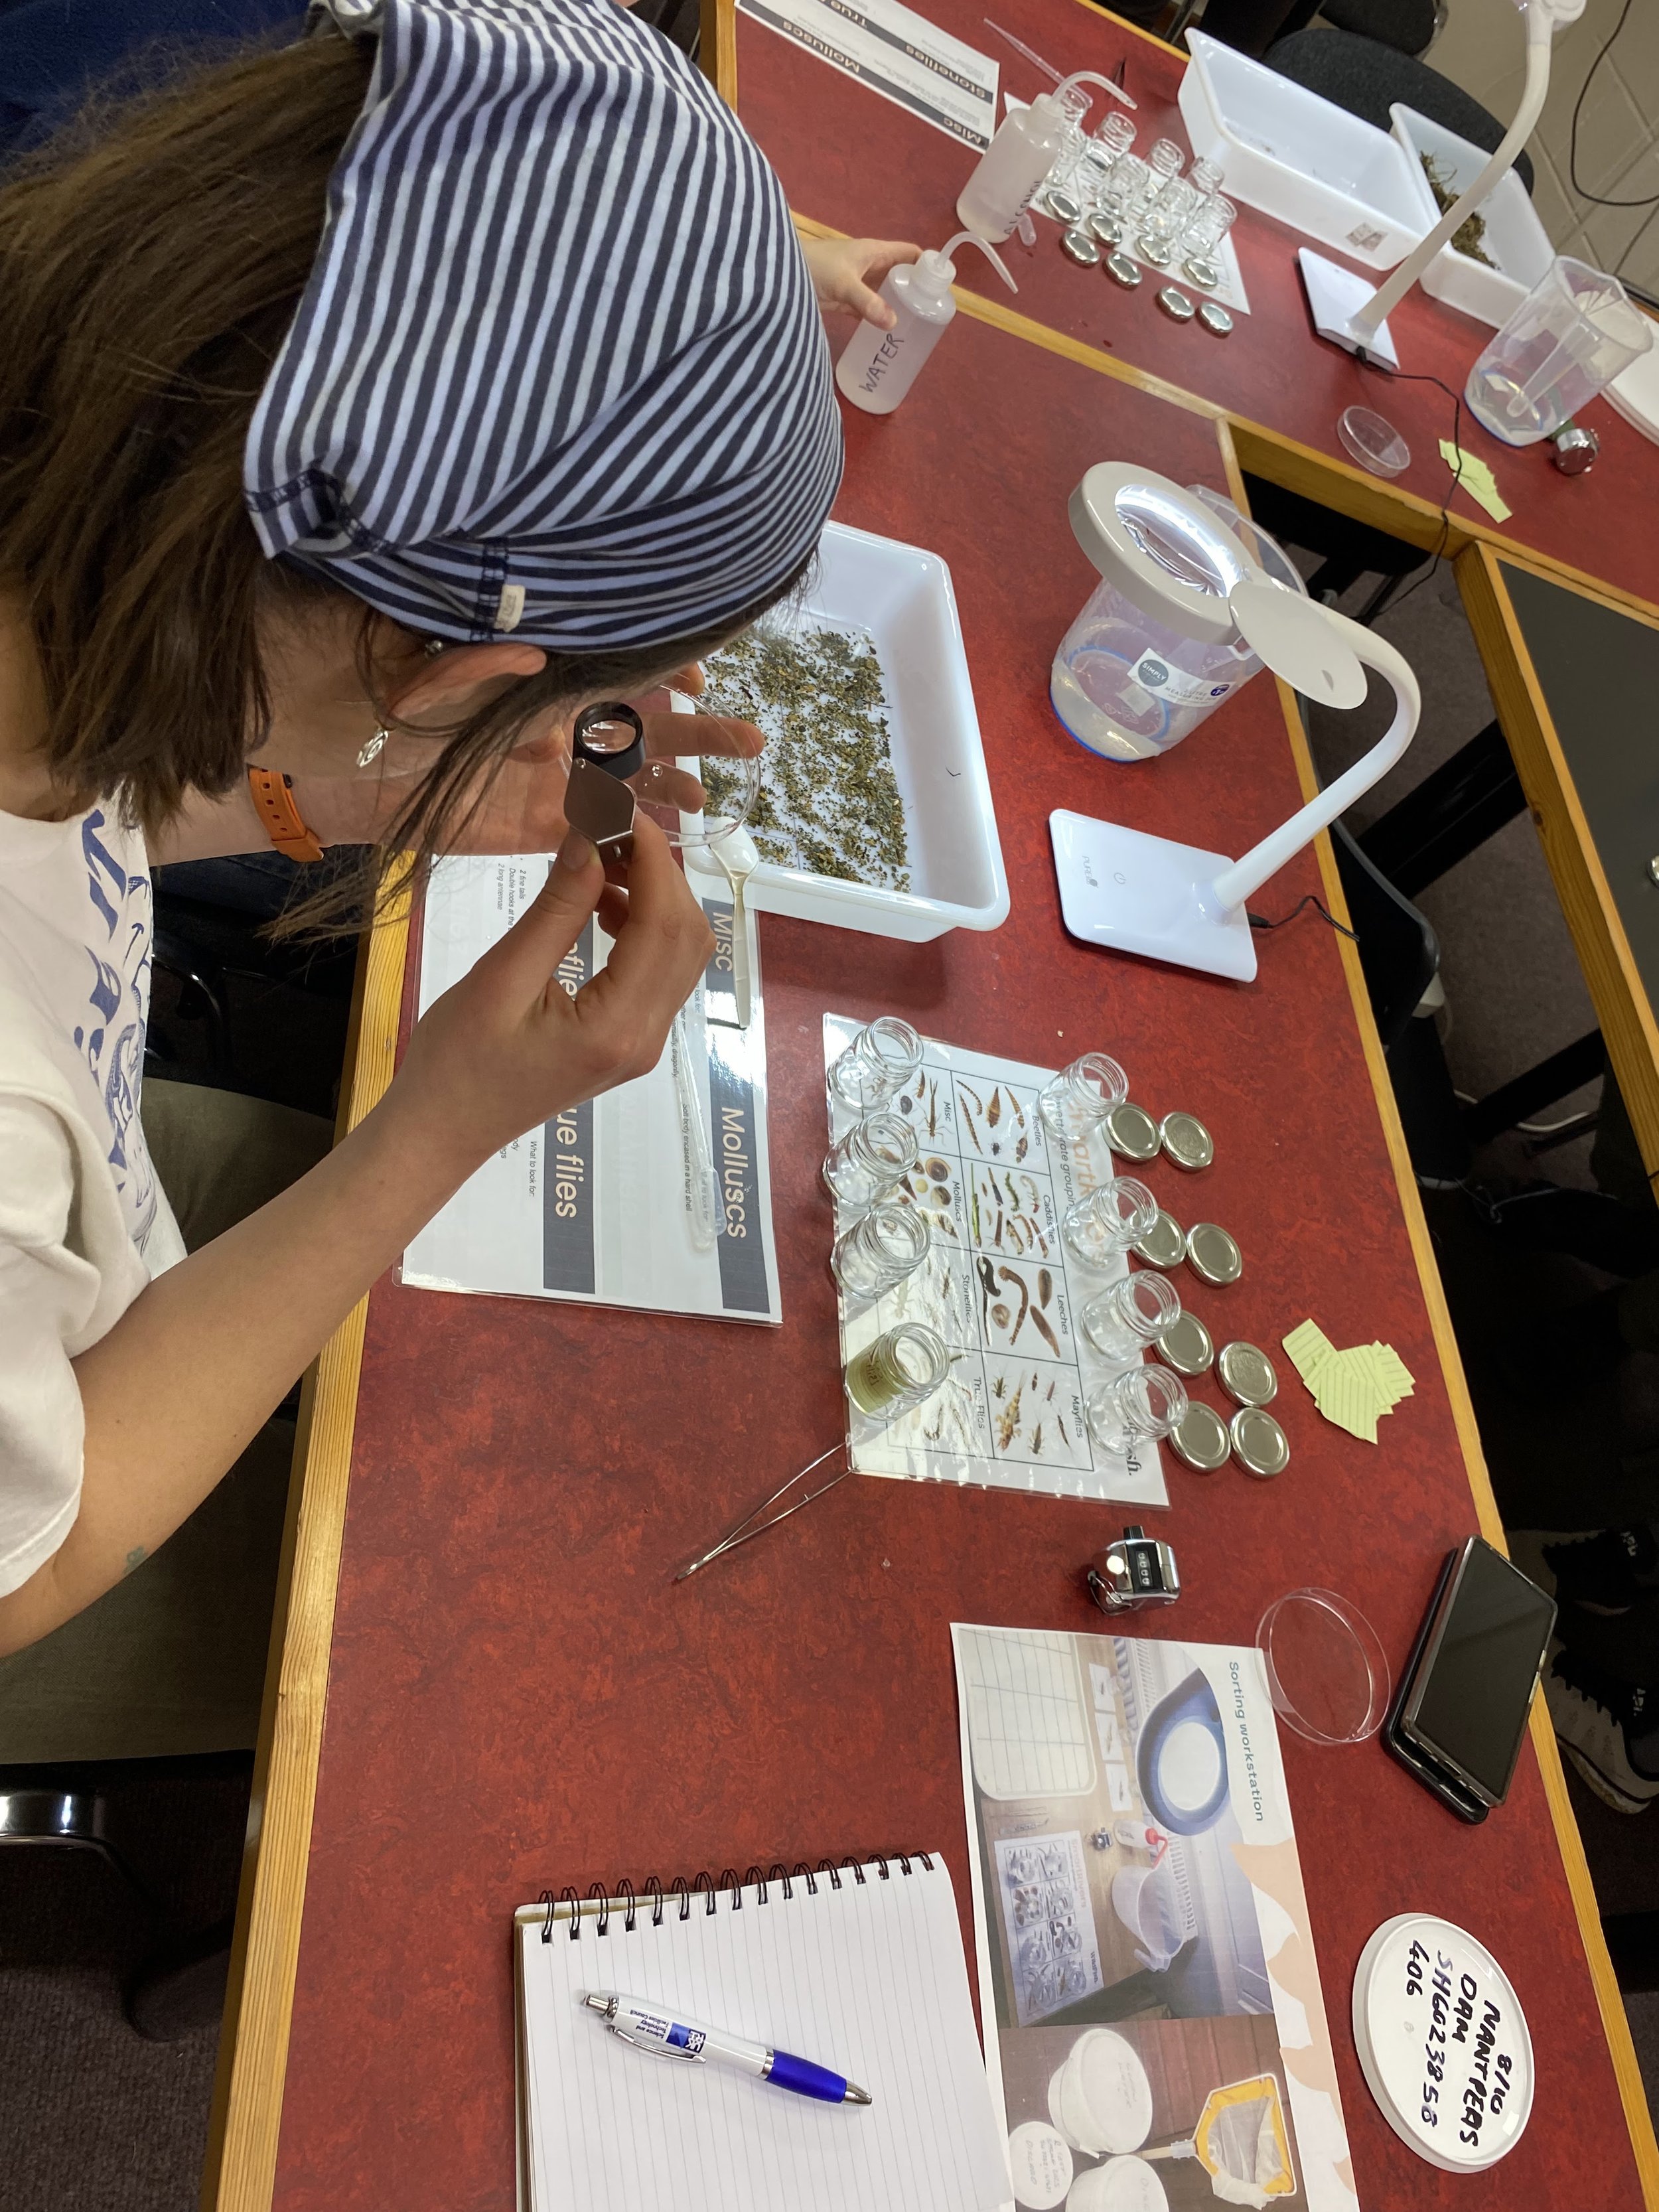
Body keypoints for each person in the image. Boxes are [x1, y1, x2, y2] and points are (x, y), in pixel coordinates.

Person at [0, 0, 912, 1753]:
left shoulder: (88, 532)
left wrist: (344, 809)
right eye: (587, 700)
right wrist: (437, 1128)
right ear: (459, 679)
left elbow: (100, 839)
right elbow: (35, 1557)